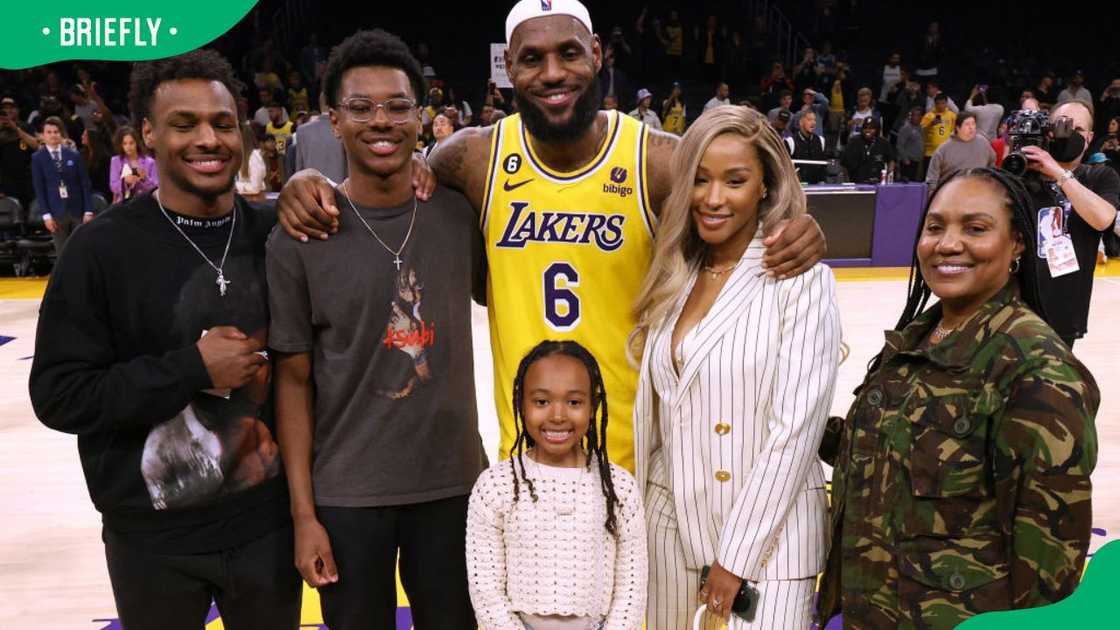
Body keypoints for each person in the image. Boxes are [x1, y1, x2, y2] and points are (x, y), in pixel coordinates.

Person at [274, 0, 826, 473]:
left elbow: (746, 198)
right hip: (527, 456)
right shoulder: (471, 157)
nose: (553, 72)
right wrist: (311, 181)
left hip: (641, 456)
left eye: (568, 53)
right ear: (508, 67)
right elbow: (383, 180)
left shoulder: (656, 159)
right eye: (532, 59)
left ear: (597, 55)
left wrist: (798, 225)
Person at [29, 49, 301, 629]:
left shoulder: (278, 232)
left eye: (223, 124)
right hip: (152, 541)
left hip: (269, 529)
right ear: (148, 134)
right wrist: (191, 369)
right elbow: (59, 395)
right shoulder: (99, 250)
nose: (209, 139)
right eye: (185, 124)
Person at [267, 29, 485, 629]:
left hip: (454, 487)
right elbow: (291, 381)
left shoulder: (458, 212)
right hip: (347, 495)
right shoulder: (300, 236)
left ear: (423, 116)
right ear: (333, 121)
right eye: (360, 108)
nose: (380, 122)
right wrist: (304, 515)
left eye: (397, 106)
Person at [817, 168, 1099, 627]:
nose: (947, 243)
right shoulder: (919, 337)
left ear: (1018, 244)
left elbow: (1048, 569)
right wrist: (798, 426)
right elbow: (898, 455)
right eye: (935, 226)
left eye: (975, 228)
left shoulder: (1034, 367)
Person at [631, 105, 840, 629]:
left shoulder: (801, 278)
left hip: (768, 545)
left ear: (765, 185)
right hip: (671, 530)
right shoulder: (674, 272)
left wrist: (735, 559)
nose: (714, 197)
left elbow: (796, 431)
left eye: (735, 180)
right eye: (699, 180)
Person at [466, 341, 646, 629]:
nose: (558, 415)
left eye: (574, 402)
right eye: (541, 402)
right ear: (521, 405)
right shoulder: (496, 486)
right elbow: (486, 590)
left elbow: (631, 587)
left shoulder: (619, 487)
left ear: (592, 407)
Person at [1021, 100, 1120, 347]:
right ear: (1049, 131)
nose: (1070, 135)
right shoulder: (1023, 176)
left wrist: (1057, 172)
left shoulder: (1099, 176)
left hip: (1063, 312)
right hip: (1012, 308)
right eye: (1064, 126)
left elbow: (1103, 219)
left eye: (1078, 130)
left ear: (1089, 137)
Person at [31, 116, 95, 255]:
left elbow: (85, 184)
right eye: (49, 132)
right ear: (43, 135)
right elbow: (39, 189)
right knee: (62, 253)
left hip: (77, 210)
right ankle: (66, 277)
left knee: (82, 251)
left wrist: (88, 210)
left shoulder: (74, 155)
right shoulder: (37, 158)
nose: (53, 135)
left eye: (56, 131)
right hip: (55, 212)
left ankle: (82, 277)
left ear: (61, 134)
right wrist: (46, 216)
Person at [925, 112, 996, 189]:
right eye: (967, 124)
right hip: (951, 192)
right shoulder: (944, 149)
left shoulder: (984, 142)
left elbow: (992, 163)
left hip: (978, 191)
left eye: (973, 123)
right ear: (957, 128)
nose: (971, 127)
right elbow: (932, 178)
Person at [291, 92, 347, 183]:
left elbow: (299, 168)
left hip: (311, 191)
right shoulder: (344, 129)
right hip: (340, 191)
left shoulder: (302, 130)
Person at [0, 96, 40, 208]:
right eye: (4, 109)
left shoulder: (26, 127)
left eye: (11, 108)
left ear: (18, 110)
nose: (8, 111)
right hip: (6, 182)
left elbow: (37, 146)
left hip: (27, 180)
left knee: (31, 214)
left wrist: (16, 129)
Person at [109, 126, 158, 204]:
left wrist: (144, 179)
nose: (128, 147)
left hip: (144, 203)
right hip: (123, 204)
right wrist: (125, 182)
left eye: (131, 143)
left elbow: (156, 188)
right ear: (121, 145)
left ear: (136, 143)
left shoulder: (150, 162)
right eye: (125, 144)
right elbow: (113, 186)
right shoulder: (116, 161)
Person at [841, 118, 895, 184]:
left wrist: (887, 176)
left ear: (877, 130)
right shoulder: (854, 142)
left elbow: (891, 160)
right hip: (857, 183)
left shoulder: (883, 143)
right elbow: (844, 163)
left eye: (871, 128)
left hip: (878, 183)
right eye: (865, 128)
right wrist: (847, 181)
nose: (868, 130)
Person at [785, 109, 827, 184]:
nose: (813, 123)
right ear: (801, 122)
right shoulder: (790, 142)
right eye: (809, 120)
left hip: (817, 187)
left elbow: (823, 166)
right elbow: (786, 167)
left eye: (814, 120)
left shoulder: (821, 141)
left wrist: (822, 181)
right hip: (798, 187)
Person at [921, 94, 957, 177]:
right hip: (930, 152)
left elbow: (954, 131)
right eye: (938, 103)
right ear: (935, 104)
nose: (940, 106)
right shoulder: (929, 115)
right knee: (929, 177)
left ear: (946, 103)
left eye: (943, 103)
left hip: (946, 152)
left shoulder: (952, 115)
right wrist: (930, 124)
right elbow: (921, 130)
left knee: (944, 176)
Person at [235, 123, 268, 200]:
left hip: (254, 201)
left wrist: (235, 186)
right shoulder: (241, 156)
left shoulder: (254, 156)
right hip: (244, 200)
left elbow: (255, 187)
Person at [895, 106, 925, 182]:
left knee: (915, 183)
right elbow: (899, 145)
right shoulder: (906, 128)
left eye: (918, 115)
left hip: (917, 162)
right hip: (908, 162)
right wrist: (905, 160)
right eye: (914, 115)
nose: (916, 117)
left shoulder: (920, 128)